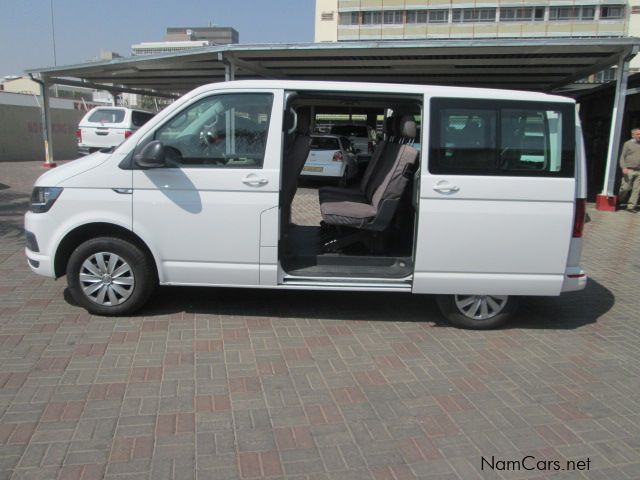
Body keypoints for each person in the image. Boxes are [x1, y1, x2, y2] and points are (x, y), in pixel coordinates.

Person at [618, 128, 640, 213]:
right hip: (629, 169)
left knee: (637, 189)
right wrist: (623, 167)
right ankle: (620, 199)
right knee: (625, 188)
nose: (639, 136)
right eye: (638, 134)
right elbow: (622, 156)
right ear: (633, 135)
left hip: (639, 170)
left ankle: (631, 206)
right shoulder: (627, 144)